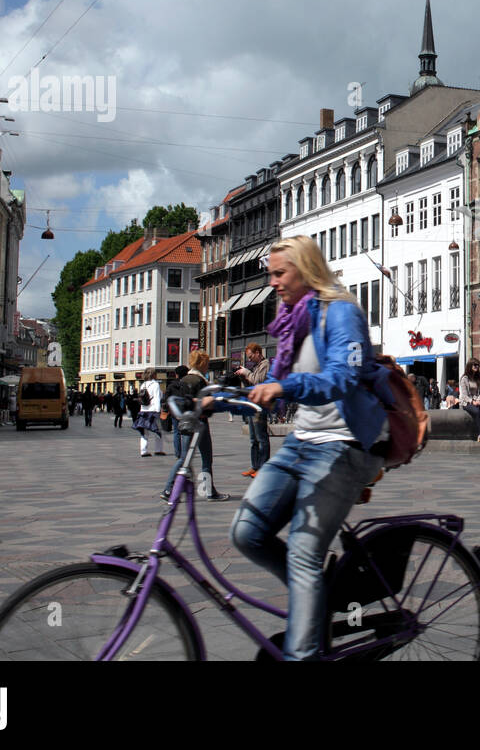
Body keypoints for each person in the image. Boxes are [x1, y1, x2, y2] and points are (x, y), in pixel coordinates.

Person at [230, 235, 387, 660]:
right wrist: (212, 397)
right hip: (303, 441)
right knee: (247, 532)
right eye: (271, 274)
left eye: (280, 273)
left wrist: (285, 385)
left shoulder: (342, 314)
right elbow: (275, 383)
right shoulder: (295, 319)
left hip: (343, 445)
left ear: (305, 269)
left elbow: (343, 378)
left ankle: (304, 650)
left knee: (301, 552)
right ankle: (313, 601)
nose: (274, 282)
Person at [162, 352, 229, 502]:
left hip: (185, 422)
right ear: (201, 364)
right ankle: (209, 491)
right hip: (200, 422)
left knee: (184, 457)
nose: (208, 366)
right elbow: (203, 402)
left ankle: (168, 488)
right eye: (206, 363)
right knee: (206, 458)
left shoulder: (184, 379)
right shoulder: (199, 381)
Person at [235, 342, 272, 477]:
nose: (249, 360)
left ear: (258, 353)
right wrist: (243, 376)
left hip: (259, 406)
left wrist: (246, 372)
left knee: (261, 437)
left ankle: (263, 467)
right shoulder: (256, 366)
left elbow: (258, 381)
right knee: (253, 439)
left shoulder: (265, 364)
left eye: (251, 357)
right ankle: (255, 466)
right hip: (251, 404)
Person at [459, 359, 480, 447]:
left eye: (478, 365)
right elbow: (464, 395)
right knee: (477, 411)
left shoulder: (479, 378)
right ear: (470, 366)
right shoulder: (464, 378)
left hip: (477, 401)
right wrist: (472, 402)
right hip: (467, 402)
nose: (476, 366)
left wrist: (479, 400)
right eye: (474, 365)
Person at [137, 368, 165, 456]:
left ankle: (143, 450)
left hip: (144, 410)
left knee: (144, 432)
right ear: (153, 375)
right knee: (158, 431)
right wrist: (158, 411)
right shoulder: (155, 384)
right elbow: (157, 398)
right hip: (153, 410)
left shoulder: (143, 385)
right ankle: (158, 449)